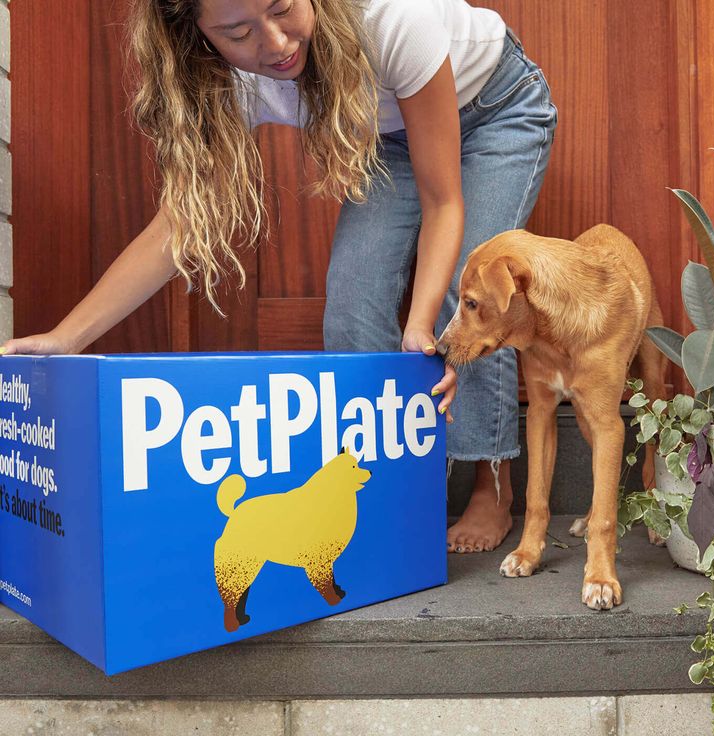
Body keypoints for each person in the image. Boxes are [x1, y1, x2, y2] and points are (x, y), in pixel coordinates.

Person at [2, 0, 556, 554]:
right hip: (392, 137)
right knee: (352, 299)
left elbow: (443, 202)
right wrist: (66, 338)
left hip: (495, 108)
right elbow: (180, 227)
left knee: (467, 292)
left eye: (283, 8)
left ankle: (491, 477)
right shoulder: (224, 82)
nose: (276, 44)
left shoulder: (391, 21)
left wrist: (419, 325)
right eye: (239, 32)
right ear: (195, 36)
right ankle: (389, 481)